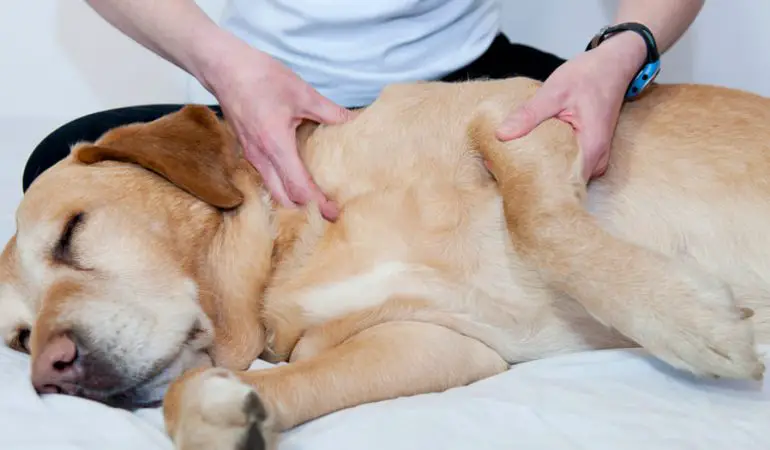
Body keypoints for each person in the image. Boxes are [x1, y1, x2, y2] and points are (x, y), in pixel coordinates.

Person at [23, 0, 704, 221]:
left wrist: (622, 50)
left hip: (468, 89)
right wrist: (223, 65)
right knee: (63, 172)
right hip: (267, 100)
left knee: (670, 168)